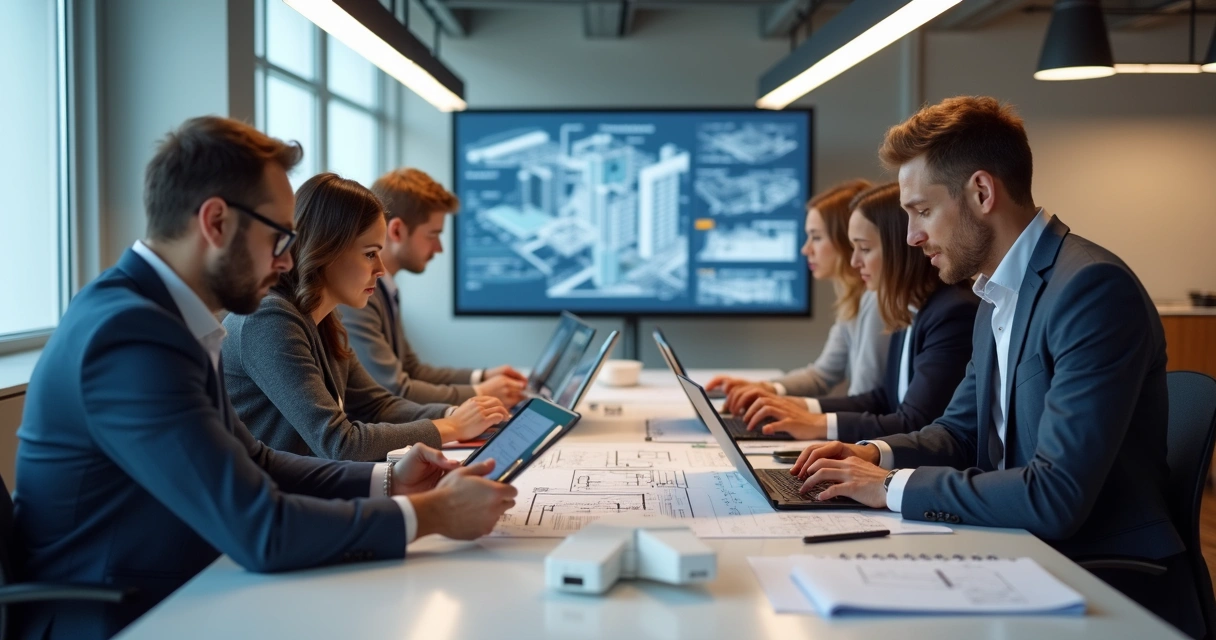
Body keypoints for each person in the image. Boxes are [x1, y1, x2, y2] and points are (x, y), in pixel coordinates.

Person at [12, 116, 517, 640]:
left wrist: (389, 481)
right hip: (122, 616)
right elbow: (260, 530)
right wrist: (430, 514)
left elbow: (257, 460)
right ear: (216, 223)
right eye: (279, 237)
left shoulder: (163, 317)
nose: (288, 260)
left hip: (185, 585)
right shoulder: (131, 336)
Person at [791, 96, 1202, 638]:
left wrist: (889, 485)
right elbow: (958, 432)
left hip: (1100, 580)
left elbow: (1056, 495)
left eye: (922, 211)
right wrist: (869, 454)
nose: (912, 236)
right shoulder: (995, 294)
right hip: (1017, 552)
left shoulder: (1090, 289)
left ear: (982, 193)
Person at [223, 173, 509, 461]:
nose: (381, 269)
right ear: (327, 249)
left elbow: (377, 406)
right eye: (371, 254)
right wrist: (452, 427)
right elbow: (340, 443)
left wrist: (456, 414)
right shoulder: (270, 319)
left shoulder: (325, 319)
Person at [735, 183, 977, 443]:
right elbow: (883, 397)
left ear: (898, 249)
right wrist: (802, 409)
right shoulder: (909, 306)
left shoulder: (951, 312)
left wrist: (818, 422)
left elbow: (914, 421)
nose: (854, 262)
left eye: (865, 249)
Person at [339, 168, 525, 406]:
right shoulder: (359, 296)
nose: (439, 248)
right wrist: (480, 393)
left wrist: (481, 377)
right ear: (397, 230)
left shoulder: (385, 289)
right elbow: (394, 389)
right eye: (433, 234)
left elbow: (411, 369)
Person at [706, 180, 890, 412]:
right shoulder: (854, 299)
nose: (806, 249)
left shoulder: (876, 300)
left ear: (847, 240)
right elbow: (823, 374)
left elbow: (864, 401)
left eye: (816, 237)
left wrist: (795, 409)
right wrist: (765, 388)